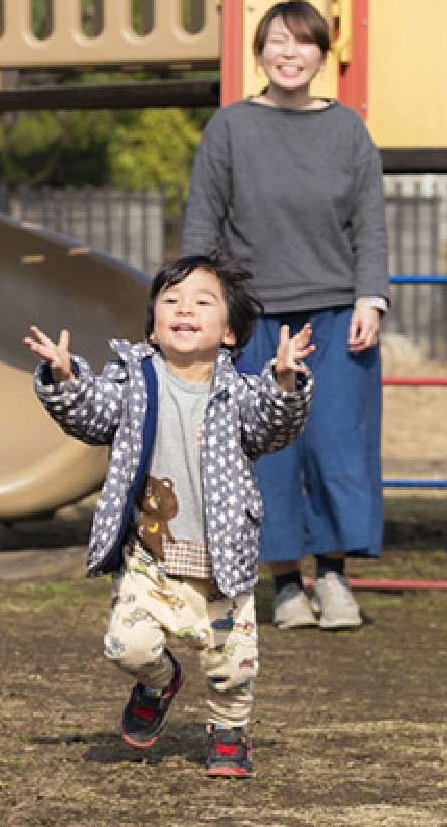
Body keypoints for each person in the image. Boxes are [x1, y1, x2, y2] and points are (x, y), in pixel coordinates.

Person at [26, 252, 313, 778]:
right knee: (126, 646)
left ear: (228, 332)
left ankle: (228, 734)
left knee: (233, 663)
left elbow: (272, 429)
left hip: (220, 561)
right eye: (172, 300)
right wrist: (65, 378)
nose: (185, 310)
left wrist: (285, 384)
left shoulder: (243, 392)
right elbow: (94, 414)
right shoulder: (134, 382)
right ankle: (159, 682)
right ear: (153, 328)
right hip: (150, 559)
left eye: (203, 302)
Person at [180, 0, 389, 633]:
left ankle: (333, 575)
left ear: (323, 55)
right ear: (260, 52)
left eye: (302, 43)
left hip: (334, 317)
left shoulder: (348, 129)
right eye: (276, 41)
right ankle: (285, 584)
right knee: (264, 453)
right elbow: (201, 223)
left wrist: (369, 297)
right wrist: (204, 310)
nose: (288, 53)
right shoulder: (230, 128)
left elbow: (370, 223)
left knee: (336, 447)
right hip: (254, 321)